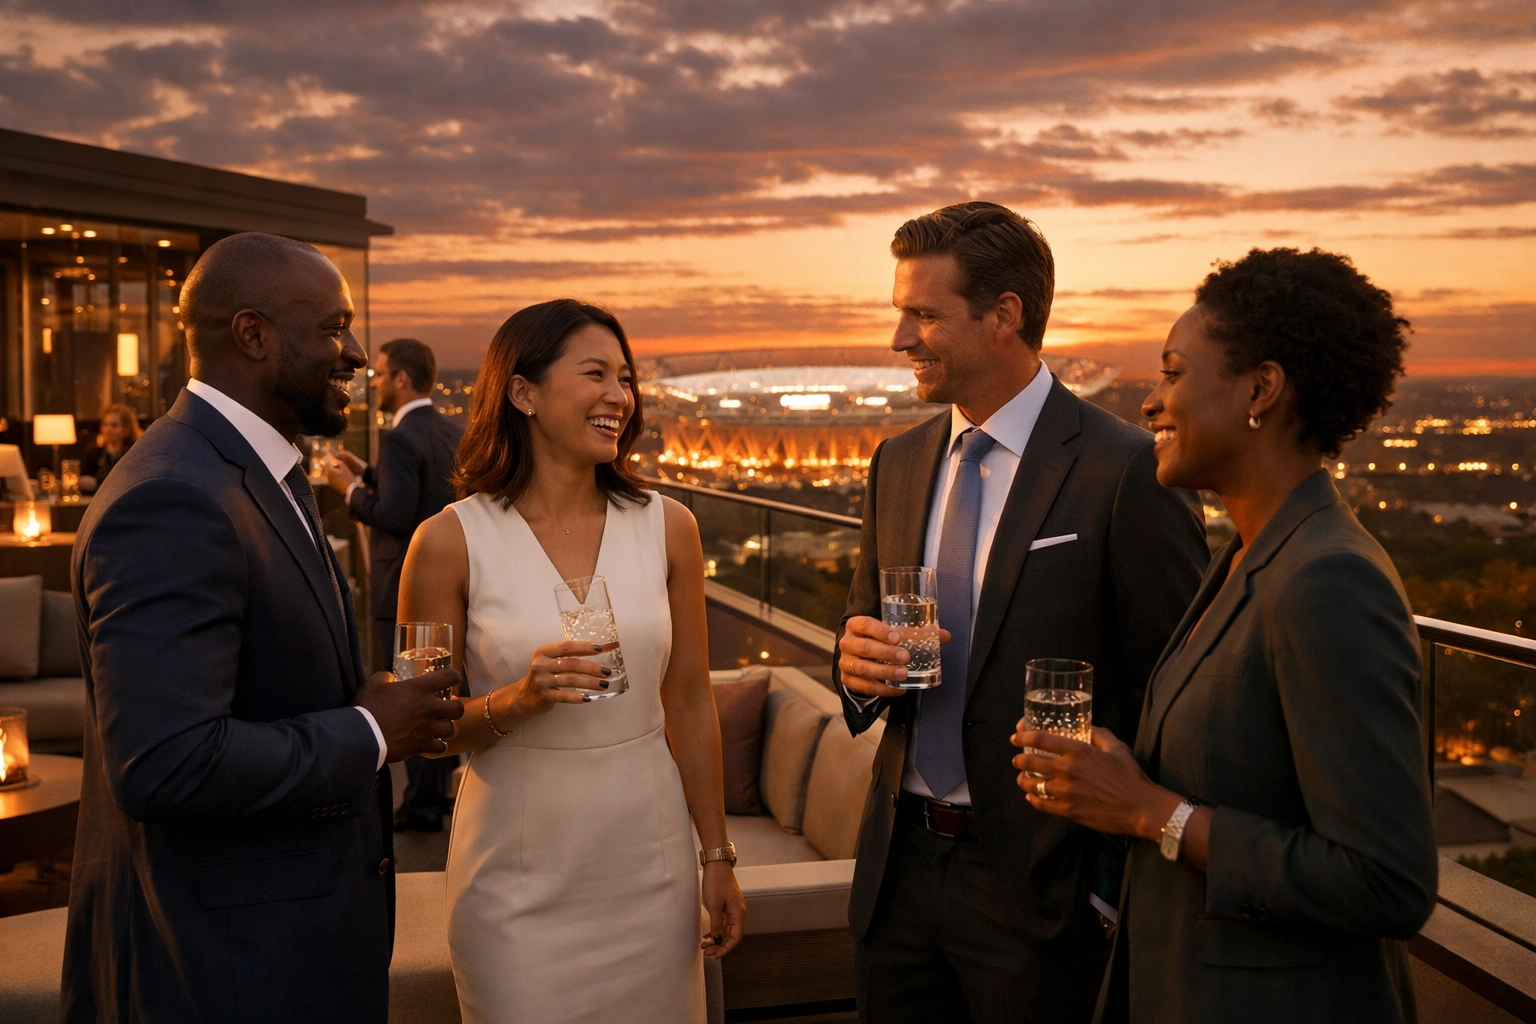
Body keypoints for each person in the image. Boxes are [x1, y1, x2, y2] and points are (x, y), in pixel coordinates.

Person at [1010, 248, 1438, 1023]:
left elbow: (1386, 881)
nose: (1150, 402)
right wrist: (1119, 771)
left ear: (1260, 390)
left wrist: (1151, 813)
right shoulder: (1242, 559)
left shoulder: (1328, 579)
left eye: (1173, 373)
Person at [62, 232, 464, 1022]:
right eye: (333, 328)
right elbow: (167, 763)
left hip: (283, 946)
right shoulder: (174, 498)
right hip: (224, 970)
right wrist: (370, 732)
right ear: (253, 335)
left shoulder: (255, 474)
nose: (353, 354)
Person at [835, 202, 1209, 1022]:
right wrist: (855, 668)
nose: (899, 339)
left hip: (1046, 898)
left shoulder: (1125, 473)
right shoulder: (896, 463)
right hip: (896, 875)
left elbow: (1176, 696)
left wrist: (1110, 888)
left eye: (923, 315)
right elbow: (862, 629)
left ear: (1004, 316)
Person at [400, 298, 745, 1023]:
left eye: (626, 378)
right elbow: (419, 727)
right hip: (515, 879)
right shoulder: (445, 542)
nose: (619, 396)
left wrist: (716, 855)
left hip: (649, 868)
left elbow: (687, 701)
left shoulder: (669, 527)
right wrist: (516, 700)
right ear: (522, 392)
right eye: (595, 374)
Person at [326, 337, 465, 832]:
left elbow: (395, 516)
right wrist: (371, 475)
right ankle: (439, 795)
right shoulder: (450, 430)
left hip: (403, 587)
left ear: (401, 379)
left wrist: (349, 490)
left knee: (416, 698)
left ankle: (423, 808)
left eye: (380, 375)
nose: (374, 382)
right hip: (453, 586)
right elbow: (424, 492)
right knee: (442, 694)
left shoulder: (402, 437)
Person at [79, 402, 142, 493]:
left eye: (114, 425)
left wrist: (97, 484)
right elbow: (82, 481)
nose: (108, 430)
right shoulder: (93, 454)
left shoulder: (133, 455)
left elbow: (130, 483)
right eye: (105, 424)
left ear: (126, 429)